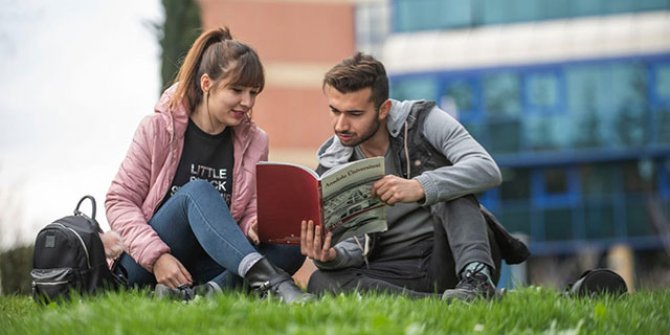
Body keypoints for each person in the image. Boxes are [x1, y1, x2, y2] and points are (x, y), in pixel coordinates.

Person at [105, 27, 312, 303]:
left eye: (253, 92)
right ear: (206, 84)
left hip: (210, 262)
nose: (247, 102)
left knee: (291, 241)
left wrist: (255, 225)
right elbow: (119, 201)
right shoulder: (157, 128)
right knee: (197, 192)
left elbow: (249, 210)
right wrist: (157, 257)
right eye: (236, 90)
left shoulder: (256, 142)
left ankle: (206, 295)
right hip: (148, 263)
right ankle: (271, 281)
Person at [300, 52, 525, 301]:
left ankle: (477, 286)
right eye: (334, 110)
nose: (341, 125)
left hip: (449, 254)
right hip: (391, 268)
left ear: (383, 109)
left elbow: (486, 168)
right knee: (321, 281)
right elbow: (355, 245)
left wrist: (420, 186)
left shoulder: (424, 120)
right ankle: (442, 304)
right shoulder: (333, 165)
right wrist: (333, 257)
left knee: (451, 189)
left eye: (354, 114)